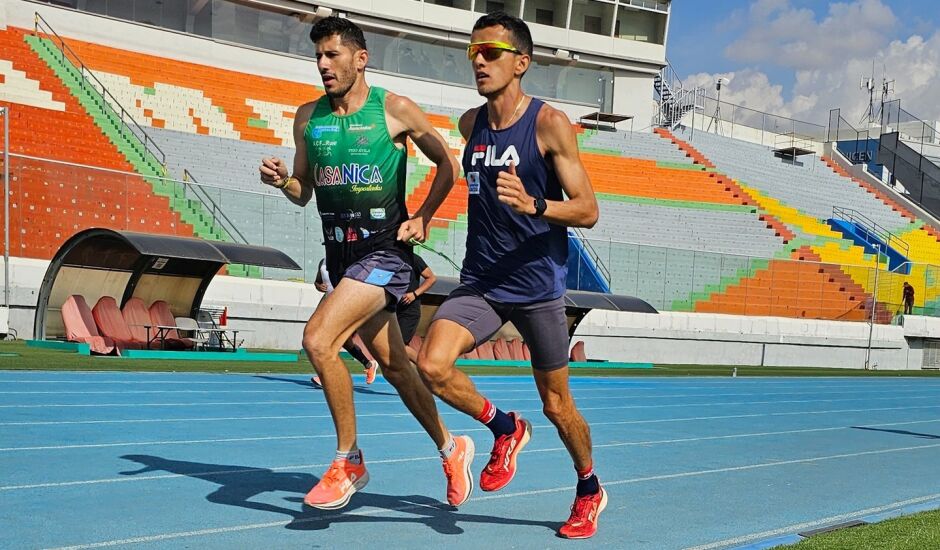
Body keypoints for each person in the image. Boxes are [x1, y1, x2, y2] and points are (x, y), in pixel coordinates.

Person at [259, 16, 474, 511]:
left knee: (318, 339)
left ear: (361, 59)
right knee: (399, 367)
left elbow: (448, 164)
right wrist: (282, 183)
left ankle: (348, 458)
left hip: (386, 253)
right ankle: (452, 446)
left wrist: (422, 215)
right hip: (342, 258)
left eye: (333, 55)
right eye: (317, 56)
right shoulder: (306, 117)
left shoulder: (393, 110)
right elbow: (302, 190)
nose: (323, 65)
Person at [414, 12, 604, 539]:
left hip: (538, 288)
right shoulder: (469, 125)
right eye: (473, 51)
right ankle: (504, 426)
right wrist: (423, 216)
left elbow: (588, 209)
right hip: (482, 282)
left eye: (491, 52)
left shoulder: (549, 124)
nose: (479, 60)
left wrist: (536, 204)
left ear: (521, 63)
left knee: (557, 404)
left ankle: (588, 488)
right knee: (431, 364)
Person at [309, 259, 378, 388]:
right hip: (329, 305)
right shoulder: (323, 261)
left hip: (346, 306)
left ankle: (326, 375)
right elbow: (318, 281)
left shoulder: (346, 259)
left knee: (330, 340)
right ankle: (369, 364)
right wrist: (319, 286)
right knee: (345, 342)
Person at [398, 252, 436, 363]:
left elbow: (431, 278)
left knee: (400, 346)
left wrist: (414, 294)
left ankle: (425, 367)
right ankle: (415, 376)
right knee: (394, 348)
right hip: (393, 310)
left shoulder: (414, 259)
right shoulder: (388, 259)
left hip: (409, 311)